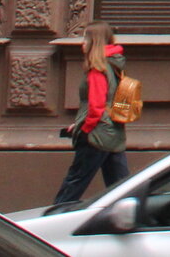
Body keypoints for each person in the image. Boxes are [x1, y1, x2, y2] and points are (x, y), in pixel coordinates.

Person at [49, 22, 129, 212]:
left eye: (85, 38)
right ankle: (133, 217)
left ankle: (53, 219)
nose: (82, 44)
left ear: (95, 42)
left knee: (75, 181)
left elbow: (96, 106)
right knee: (121, 186)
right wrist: (78, 123)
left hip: (97, 133)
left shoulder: (97, 69)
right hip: (113, 130)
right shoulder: (115, 65)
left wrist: (84, 129)